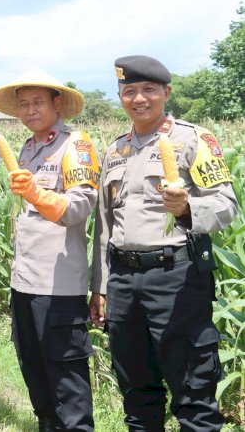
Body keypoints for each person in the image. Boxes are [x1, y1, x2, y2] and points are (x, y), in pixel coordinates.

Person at [90, 55, 238, 431]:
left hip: (176, 278)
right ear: (121, 96)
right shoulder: (116, 150)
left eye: (148, 90)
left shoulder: (192, 139)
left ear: (166, 93)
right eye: (129, 91)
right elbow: (105, 224)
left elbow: (226, 204)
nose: (138, 98)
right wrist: (100, 287)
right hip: (123, 280)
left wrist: (189, 207)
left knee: (193, 392)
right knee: (137, 392)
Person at [0, 68, 98, 431]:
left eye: (38, 102)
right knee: (33, 368)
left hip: (58, 286)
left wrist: (38, 194)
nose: (30, 110)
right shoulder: (30, 147)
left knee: (66, 377)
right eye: (23, 105)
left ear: (57, 105)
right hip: (25, 281)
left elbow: (81, 206)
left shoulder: (75, 145)